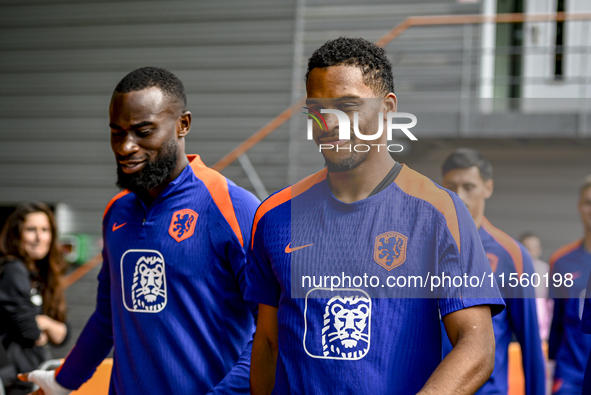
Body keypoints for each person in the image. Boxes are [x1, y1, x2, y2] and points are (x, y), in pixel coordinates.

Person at [246, 37, 505, 395]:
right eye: (316, 108)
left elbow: (476, 347)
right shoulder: (273, 216)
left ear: (387, 108)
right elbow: (268, 345)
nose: (329, 123)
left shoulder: (438, 212)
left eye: (347, 106)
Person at [19, 67, 260, 394]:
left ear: (182, 124)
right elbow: (108, 317)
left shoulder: (231, 207)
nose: (125, 147)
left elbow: (272, 331)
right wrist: (63, 381)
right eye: (116, 132)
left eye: (143, 131)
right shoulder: (117, 212)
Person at [440, 149, 545, 395]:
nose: (459, 195)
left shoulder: (513, 255)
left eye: (469, 186)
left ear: (487, 188)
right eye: (450, 186)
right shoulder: (421, 245)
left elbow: (530, 344)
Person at [0, 203, 69, 395]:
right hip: (13, 381)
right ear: (16, 234)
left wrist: (44, 321)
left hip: (31, 376)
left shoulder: (40, 276)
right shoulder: (12, 270)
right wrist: (43, 327)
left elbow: (63, 333)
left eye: (45, 230)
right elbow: (30, 332)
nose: (39, 238)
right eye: (31, 230)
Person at [548, 174, 591, 394]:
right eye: (588, 202)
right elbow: (556, 321)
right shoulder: (562, 260)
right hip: (570, 375)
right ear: (579, 206)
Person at [520, 232, 553, 342]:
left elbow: (550, 301)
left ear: (539, 249)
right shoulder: (513, 272)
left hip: (541, 323)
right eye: (527, 248)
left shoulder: (546, 270)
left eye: (534, 248)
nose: (530, 252)